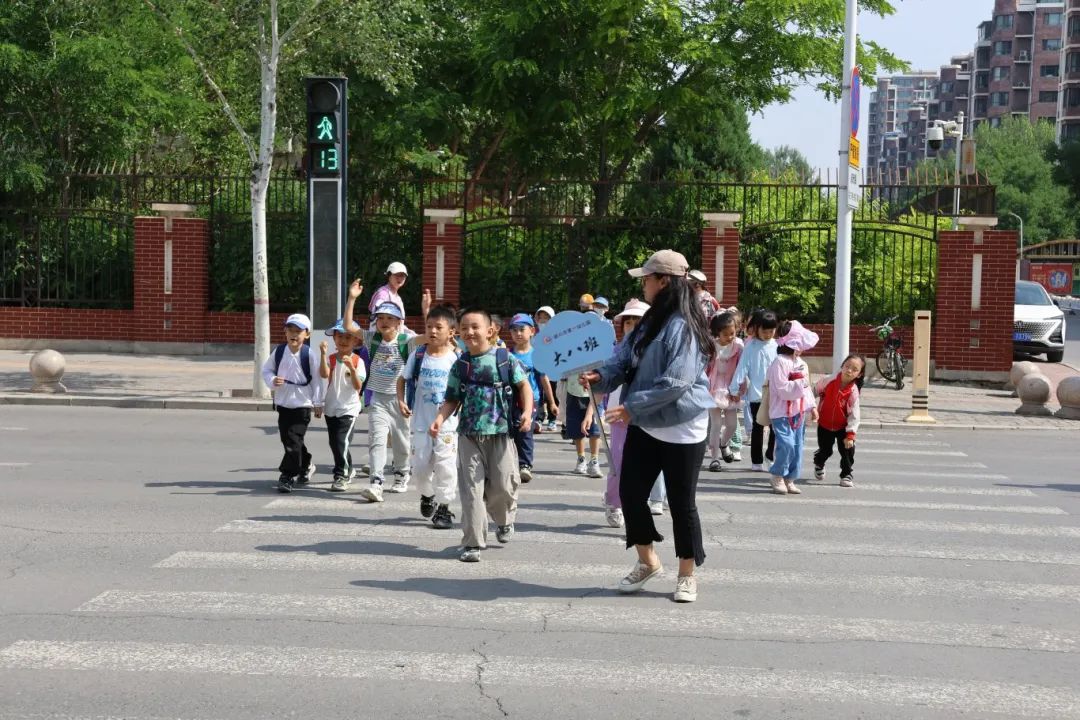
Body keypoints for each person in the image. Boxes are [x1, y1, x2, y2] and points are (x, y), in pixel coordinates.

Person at [582, 249, 715, 604]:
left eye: (647, 278)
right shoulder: (648, 321)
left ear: (665, 282)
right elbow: (622, 360)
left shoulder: (685, 326)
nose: (643, 283)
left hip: (683, 427)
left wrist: (630, 407)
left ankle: (687, 573)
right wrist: (599, 377)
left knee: (681, 503)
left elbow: (677, 382)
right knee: (630, 494)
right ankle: (648, 561)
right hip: (645, 422)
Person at [431, 308, 533, 563]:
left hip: (500, 433)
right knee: (471, 491)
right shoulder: (461, 364)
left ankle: (504, 520)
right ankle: (473, 543)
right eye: (464, 327)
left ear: (490, 330)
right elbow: (452, 399)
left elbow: (524, 387)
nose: (469, 332)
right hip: (468, 435)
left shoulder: (504, 358)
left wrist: (529, 413)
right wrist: (439, 418)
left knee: (503, 485)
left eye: (475, 326)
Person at [342, 281, 421, 501]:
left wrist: (427, 313)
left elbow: (430, 338)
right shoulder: (371, 338)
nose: (384, 322)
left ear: (399, 322)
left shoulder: (407, 341)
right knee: (376, 440)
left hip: (401, 400)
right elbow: (348, 326)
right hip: (377, 398)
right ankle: (376, 483)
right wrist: (352, 298)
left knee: (401, 441)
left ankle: (402, 474)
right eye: (381, 318)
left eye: (390, 318)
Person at [397, 305, 460, 529]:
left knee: (446, 467)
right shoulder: (419, 354)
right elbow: (402, 379)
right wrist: (402, 400)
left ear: (451, 332)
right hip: (421, 424)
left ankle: (444, 507)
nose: (432, 331)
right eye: (429, 326)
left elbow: (461, 392)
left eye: (438, 327)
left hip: (448, 426)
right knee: (420, 467)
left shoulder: (456, 359)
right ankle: (427, 495)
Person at [261, 314, 324, 493]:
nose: (294, 335)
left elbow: (317, 380)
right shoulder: (279, 351)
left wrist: (318, 402)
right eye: (290, 330)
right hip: (283, 402)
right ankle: (306, 463)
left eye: (298, 331)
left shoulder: (309, 354)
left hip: (303, 404)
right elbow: (266, 370)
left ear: (307, 334)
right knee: (288, 439)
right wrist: (273, 380)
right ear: (285, 332)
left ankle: (287, 475)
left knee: (293, 439)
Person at [601, 298, 649, 527]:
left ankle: (639, 504)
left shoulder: (654, 351)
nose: (632, 326)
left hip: (646, 414)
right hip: (618, 414)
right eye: (628, 322)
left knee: (643, 464)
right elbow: (604, 380)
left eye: (637, 321)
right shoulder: (615, 351)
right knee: (618, 461)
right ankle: (613, 502)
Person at [766, 320, 819, 495]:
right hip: (781, 412)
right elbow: (783, 390)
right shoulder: (779, 362)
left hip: (799, 411)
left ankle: (790, 478)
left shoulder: (801, 363)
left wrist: (812, 407)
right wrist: (799, 383)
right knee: (786, 444)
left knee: (797, 446)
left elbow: (806, 389)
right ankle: (777, 474)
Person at [508, 313, 557, 483]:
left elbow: (544, 379)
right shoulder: (507, 355)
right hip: (510, 400)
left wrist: (551, 402)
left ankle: (525, 465)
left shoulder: (536, 356)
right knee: (510, 431)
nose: (518, 333)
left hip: (531, 400)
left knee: (525, 431)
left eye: (522, 329)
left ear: (532, 331)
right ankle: (509, 463)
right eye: (514, 330)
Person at [729, 309, 779, 471]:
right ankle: (756, 461)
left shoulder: (777, 346)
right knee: (757, 429)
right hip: (757, 395)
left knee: (775, 429)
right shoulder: (751, 347)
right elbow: (742, 368)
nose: (768, 334)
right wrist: (734, 389)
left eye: (771, 331)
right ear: (756, 328)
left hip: (775, 395)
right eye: (765, 331)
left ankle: (770, 457)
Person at [319, 319, 366, 492]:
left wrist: (352, 369)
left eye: (348, 337)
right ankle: (349, 468)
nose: (343, 341)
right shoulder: (331, 358)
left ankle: (341, 475)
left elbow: (357, 386)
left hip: (349, 408)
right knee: (336, 443)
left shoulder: (357, 361)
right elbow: (323, 374)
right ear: (334, 339)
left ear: (356, 341)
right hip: (331, 406)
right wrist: (323, 354)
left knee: (341, 441)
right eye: (340, 336)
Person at [813, 354, 865, 488]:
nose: (849, 371)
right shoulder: (828, 381)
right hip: (824, 424)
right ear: (842, 366)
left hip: (843, 427)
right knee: (825, 451)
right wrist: (809, 407)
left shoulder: (853, 392)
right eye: (847, 366)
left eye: (854, 369)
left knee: (847, 451)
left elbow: (855, 414)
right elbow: (813, 391)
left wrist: (850, 435)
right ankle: (819, 463)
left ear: (859, 374)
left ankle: (846, 474)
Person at [706, 312, 743, 472]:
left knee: (732, 425)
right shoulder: (711, 346)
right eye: (725, 334)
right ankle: (714, 459)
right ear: (717, 333)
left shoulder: (738, 347)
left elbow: (742, 368)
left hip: (731, 388)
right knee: (715, 425)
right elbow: (705, 368)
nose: (729, 337)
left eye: (732, 333)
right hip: (713, 387)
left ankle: (724, 443)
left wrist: (740, 388)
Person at [564, 370, 603, 477]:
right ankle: (581, 459)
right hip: (574, 390)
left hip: (595, 390)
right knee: (577, 427)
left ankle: (594, 460)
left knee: (595, 429)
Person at [534, 305, 558, 430]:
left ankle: (552, 419)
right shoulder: (533, 334)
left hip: (552, 368)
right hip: (537, 367)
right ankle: (539, 416)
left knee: (552, 392)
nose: (543, 320)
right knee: (539, 392)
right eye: (541, 317)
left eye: (546, 318)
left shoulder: (557, 334)